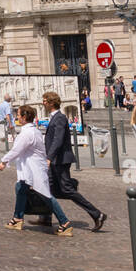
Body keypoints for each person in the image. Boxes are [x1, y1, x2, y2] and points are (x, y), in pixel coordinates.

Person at [0, 105, 72, 235]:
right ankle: (17, 218)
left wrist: (4, 161)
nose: (17, 117)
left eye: (19, 115)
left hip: (35, 170)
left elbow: (17, 150)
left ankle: (64, 222)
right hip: (30, 169)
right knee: (20, 188)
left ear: (24, 117)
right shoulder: (33, 131)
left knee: (45, 195)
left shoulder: (28, 133)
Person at [43, 91, 107, 231]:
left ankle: (97, 214)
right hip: (56, 160)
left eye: (45, 101)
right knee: (49, 188)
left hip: (60, 160)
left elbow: (58, 140)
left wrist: (49, 157)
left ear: (52, 103)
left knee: (66, 189)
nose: (43, 103)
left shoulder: (59, 118)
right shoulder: (54, 117)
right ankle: (46, 217)